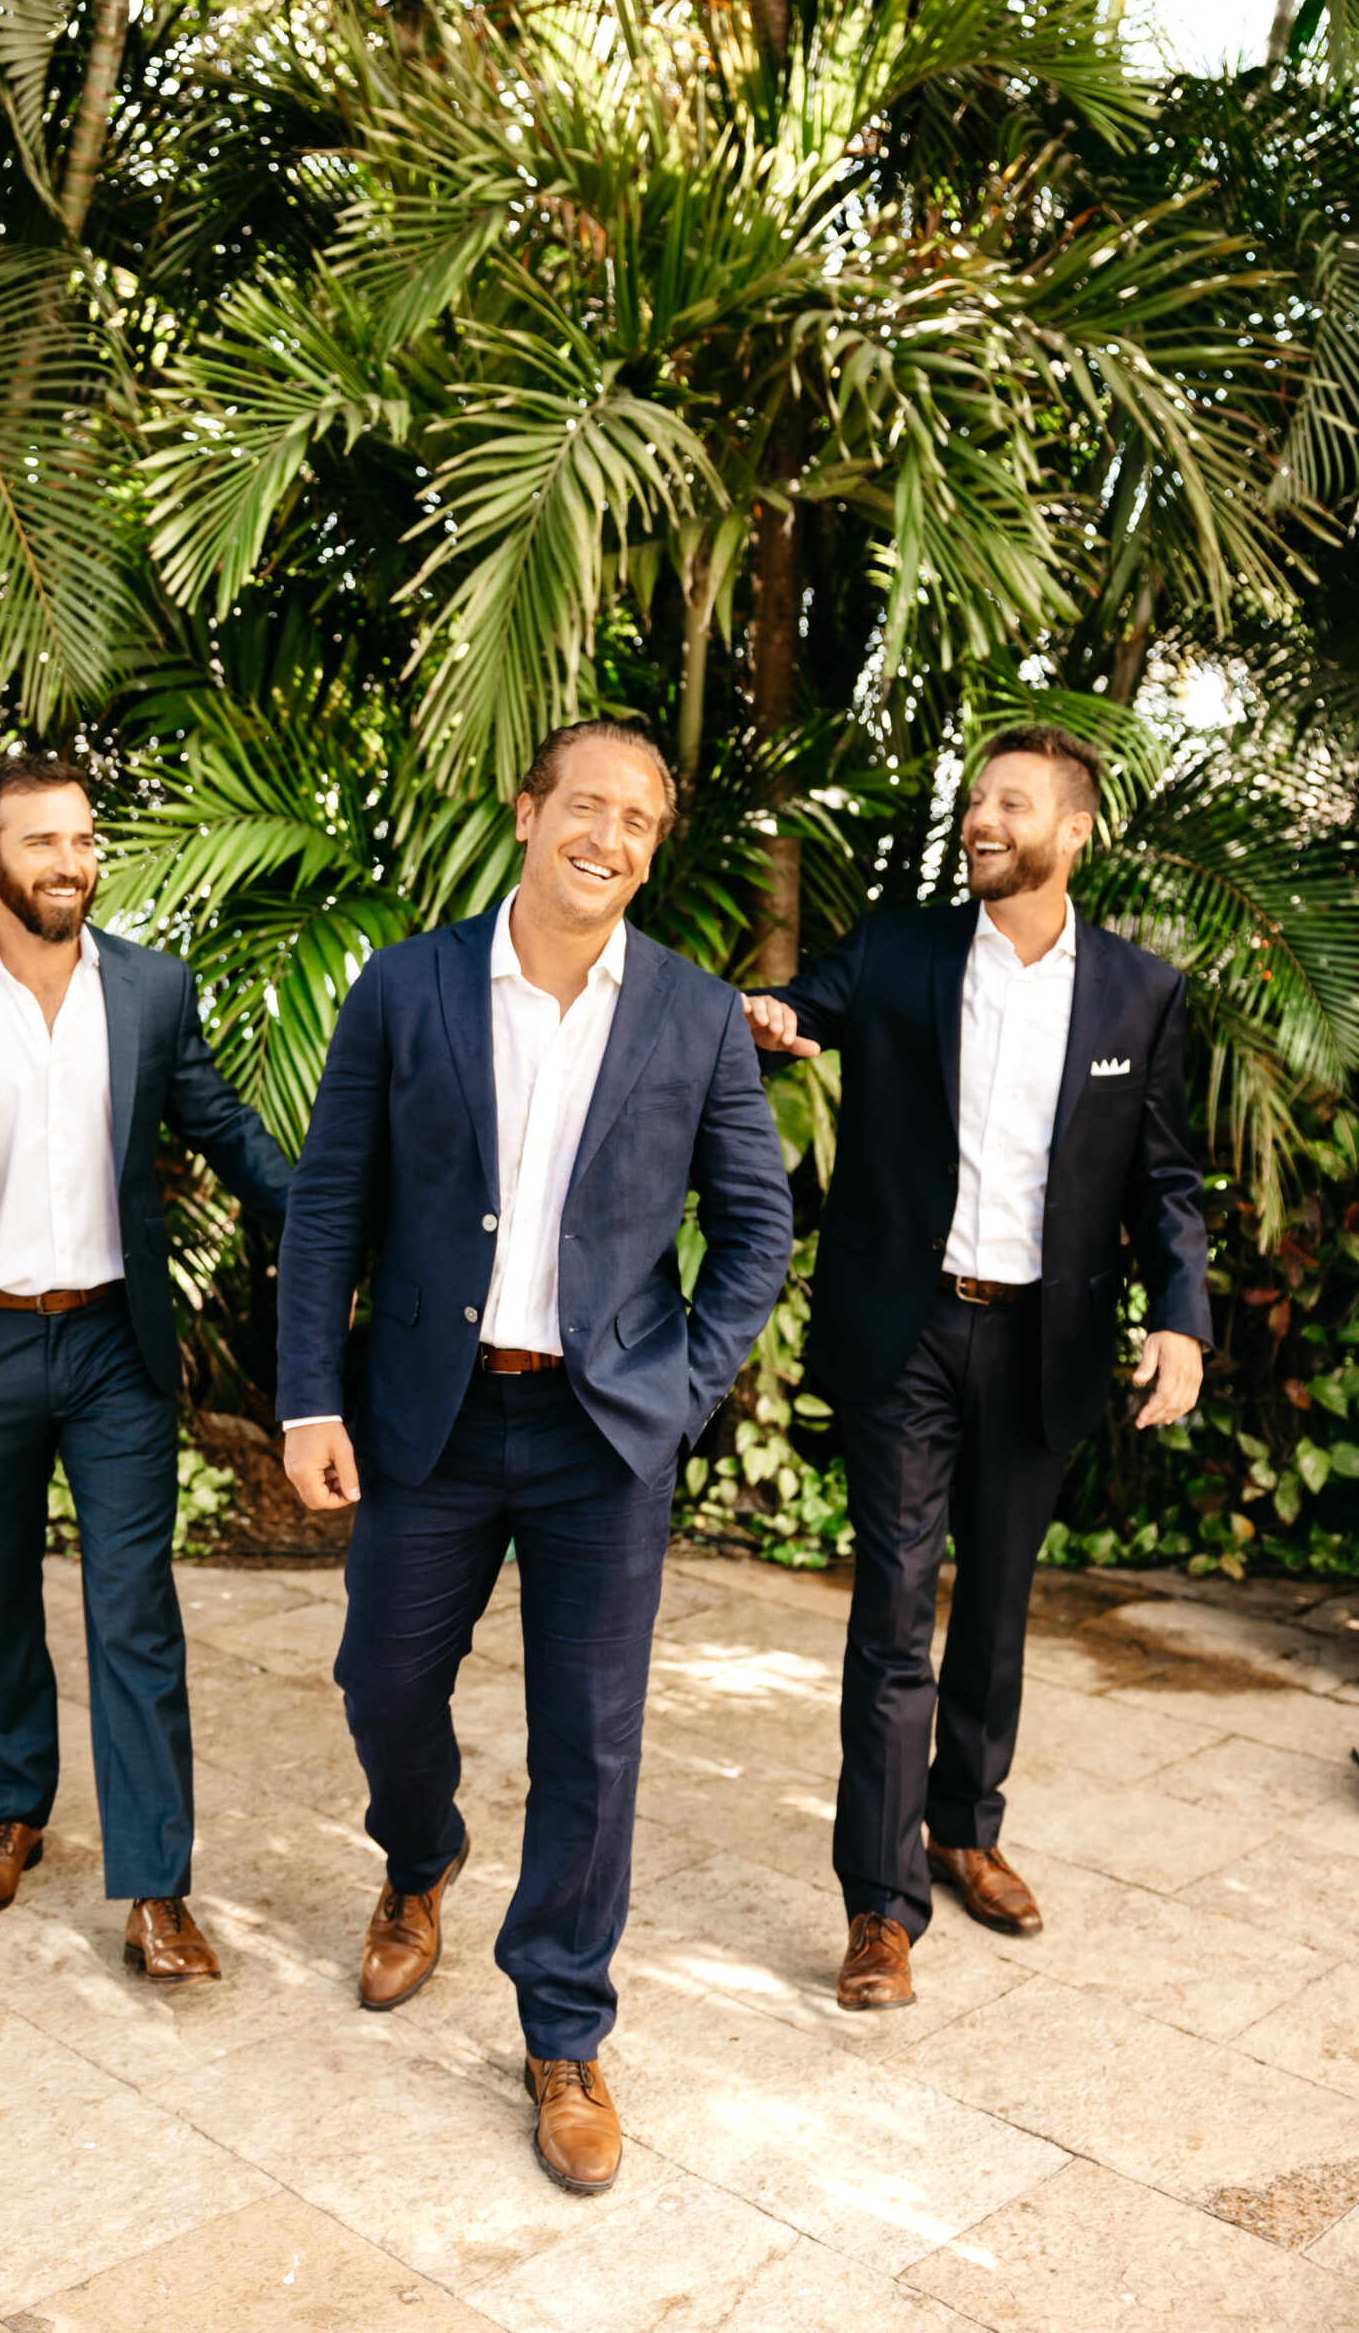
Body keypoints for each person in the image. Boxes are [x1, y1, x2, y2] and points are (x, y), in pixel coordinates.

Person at [275, 722, 795, 2192]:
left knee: (591, 1737)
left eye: (638, 820)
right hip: (427, 1418)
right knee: (381, 1681)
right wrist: (308, 1399)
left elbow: (755, 1226)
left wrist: (680, 1388)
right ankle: (419, 1856)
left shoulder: (693, 1014)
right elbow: (330, 1203)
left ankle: (563, 2029)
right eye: (586, 805)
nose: (608, 837)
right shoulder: (406, 985)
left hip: (601, 1434)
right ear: (526, 812)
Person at [743, 725, 1209, 2010]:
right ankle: (879, 1907)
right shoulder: (900, 951)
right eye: (976, 799)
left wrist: (1181, 1317)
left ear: (1075, 830)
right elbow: (806, 1007)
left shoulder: (1140, 994)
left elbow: (1164, 1179)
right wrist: (776, 1019)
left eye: (1013, 802)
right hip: (907, 1330)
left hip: (1043, 1340)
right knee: (893, 1611)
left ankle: (965, 1828)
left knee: (997, 1607)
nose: (982, 819)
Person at [0, 754, 292, 1975]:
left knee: (134, 1610)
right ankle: (12, 1809)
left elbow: (223, 1125)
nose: (70, 863)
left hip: (111, 1341)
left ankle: (156, 1888)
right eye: (41, 840)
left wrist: (327, 1224)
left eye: (84, 839)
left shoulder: (149, 988)